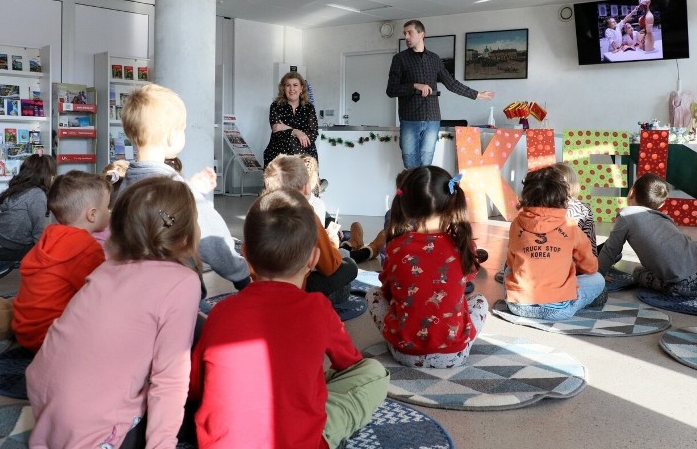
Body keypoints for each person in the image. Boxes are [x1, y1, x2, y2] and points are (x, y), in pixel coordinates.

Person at [189, 189, 389, 448]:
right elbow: (350, 364)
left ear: (246, 256)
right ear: (313, 259)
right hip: (300, 442)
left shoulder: (221, 313)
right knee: (374, 373)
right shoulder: (317, 308)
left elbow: (195, 387)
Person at [26, 176, 202, 448]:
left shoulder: (107, 266)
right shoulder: (184, 282)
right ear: (187, 232)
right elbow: (169, 380)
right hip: (92, 428)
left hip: (45, 399)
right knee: (194, 412)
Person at [114, 84, 251, 290]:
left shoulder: (123, 185)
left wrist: (190, 186)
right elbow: (213, 241)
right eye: (183, 129)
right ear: (171, 136)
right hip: (177, 294)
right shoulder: (180, 193)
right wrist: (241, 275)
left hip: (133, 289)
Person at [365, 165, 488, 368]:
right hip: (455, 354)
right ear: (451, 201)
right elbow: (466, 282)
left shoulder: (396, 246)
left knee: (373, 294)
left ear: (405, 203)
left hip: (403, 353)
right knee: (479, 300)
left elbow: (387, 291)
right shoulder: (463, 244)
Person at [12, 171, 110, 352]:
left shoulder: (50, 236)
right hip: (52, 338)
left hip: (25, 331)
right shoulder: (86, 248)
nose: (110, 211)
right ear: (93, 215)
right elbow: (99, 295)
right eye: (107, 207)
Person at [598, 173, 697, 296]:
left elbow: (610, 250)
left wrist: (599, 276)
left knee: (638, 272)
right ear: (661, 205)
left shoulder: (626, 215)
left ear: (631, 192)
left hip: (688, 286)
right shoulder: (664, 218)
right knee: (686, 254)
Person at [386, 20, 494, 168]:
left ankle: (423, 191)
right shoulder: (399, 59)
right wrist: (414, 86)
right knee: (410, 163)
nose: (406, 37)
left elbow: (451, 83)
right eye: (405, 34)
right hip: (410, 119)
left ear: (421, 34)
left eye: (410, 33)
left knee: (426, 163)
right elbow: (391, 90)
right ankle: (412, 190)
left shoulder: (434, 59)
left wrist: (476, 94)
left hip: (432, 119)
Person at [503, 165, 606, 319]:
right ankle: (574, 302)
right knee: (598, 279)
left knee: (506, 271)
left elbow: (511, 264)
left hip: (518, 306)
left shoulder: (516, 224)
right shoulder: (571, 225)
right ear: (563, 195)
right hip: (558, 309)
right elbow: (590, 266)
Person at [263, 155, 359, 303]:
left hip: (263, 288)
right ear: (308, 186)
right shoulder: (308, 216)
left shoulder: (259, 210)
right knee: (350, 265)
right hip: (297, 289)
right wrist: (332, 241)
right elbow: (329, 267)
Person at [495, 162, 596, 283]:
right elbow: (590, 246)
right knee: (596, 279)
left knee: (509, 269)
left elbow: (516, 248)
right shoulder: (583, 209)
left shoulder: (525, 216)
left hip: (529, 276)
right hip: (568, 271)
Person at [0, 154, 56, 280]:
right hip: (12, 247)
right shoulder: (37, 195)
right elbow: (40, 234)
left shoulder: (17, 190)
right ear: (46, 175)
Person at [263, 71, 319, 166]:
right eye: (288, 85)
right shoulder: (276, 106)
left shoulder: (309, 107)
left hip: (305, 155)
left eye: (295, 85)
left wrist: (284, 127)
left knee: (305, 176)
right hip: (279, 155)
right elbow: (276, 130)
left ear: (301, 88)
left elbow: (313, 133)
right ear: (283, 88)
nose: (291, 89)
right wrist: (296, 132)